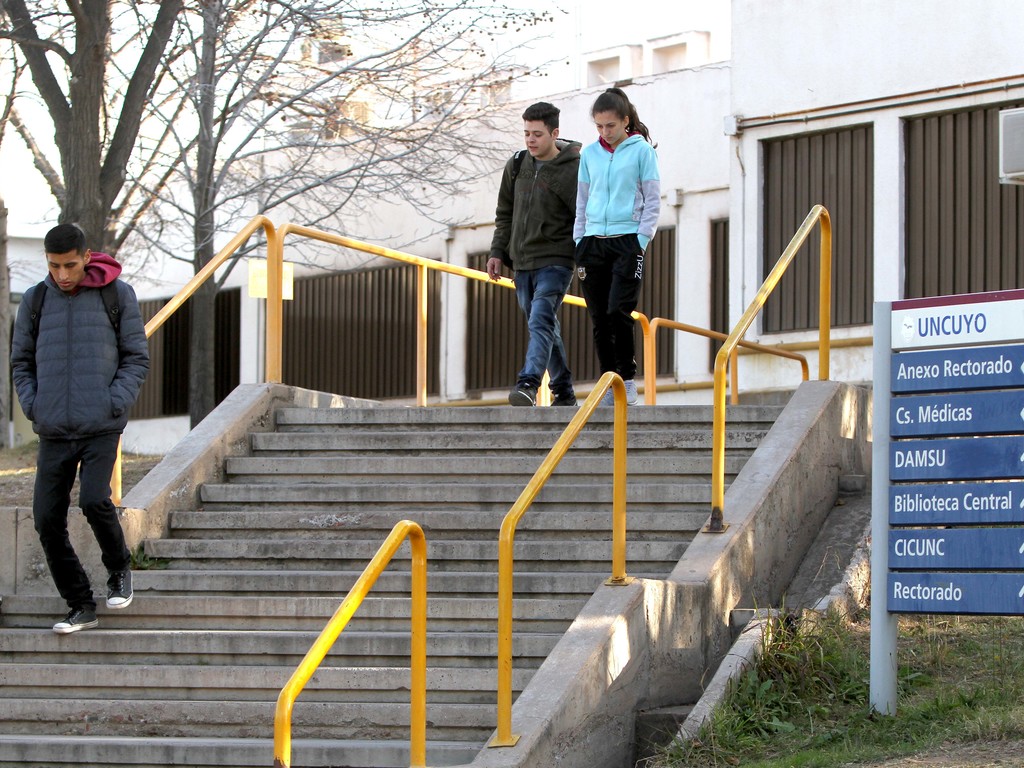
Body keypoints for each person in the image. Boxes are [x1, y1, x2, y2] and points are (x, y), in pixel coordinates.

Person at [10, 223, 150, 634]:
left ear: (87, 257)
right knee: (45, 518)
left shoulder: (116, 294)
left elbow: (135, 357)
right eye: (54, 266)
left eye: (70, 265)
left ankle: (119, 568)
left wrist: (114, 401)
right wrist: (34, 405)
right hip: (53, 426)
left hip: (100, 423)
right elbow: (21, 362)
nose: (63, 275)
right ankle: (79, 604)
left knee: (93, 499)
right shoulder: (35, 300)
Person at [488, 101, 580, 407]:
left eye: (537, 134)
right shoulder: (516, 165)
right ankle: (564, 392)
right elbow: (505, 213)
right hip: (523, 263)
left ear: (554, 133)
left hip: (557, 261)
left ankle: (528, 383)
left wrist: (584, 262)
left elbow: (583, 219)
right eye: (526, 133)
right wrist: (497, 251)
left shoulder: (574, 170)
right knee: (544, 325)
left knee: (541, 319)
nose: (530, 140)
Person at [574, 87, 661, 405]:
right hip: (592, 243)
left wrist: (641, 240)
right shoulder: (589, 155)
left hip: (627, 241)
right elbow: (582, 200)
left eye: (610, 125)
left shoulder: (642, 152)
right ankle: (608, 381)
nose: (604, 132)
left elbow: (652, 199)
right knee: (599, 317)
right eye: (598, 126)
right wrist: (579, 239)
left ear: (625, 121)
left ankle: (626, 376)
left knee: (618, 311)